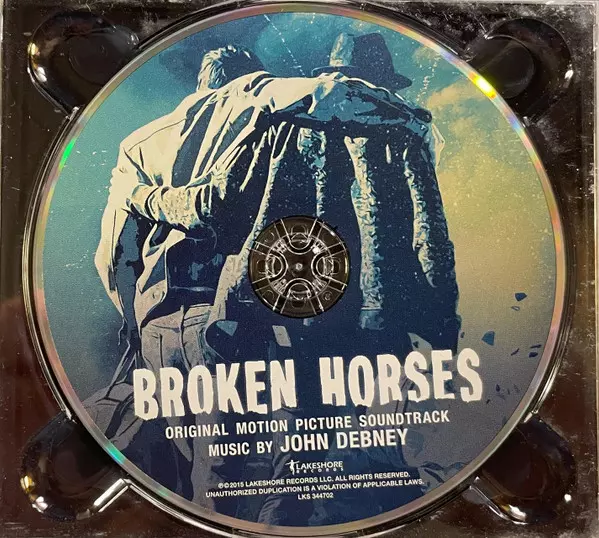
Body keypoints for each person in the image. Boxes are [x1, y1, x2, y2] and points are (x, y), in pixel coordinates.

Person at [91, 44, 439, 521]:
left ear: (201, 82)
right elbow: (332, 94)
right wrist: (407, 116)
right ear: (249, 75)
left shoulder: (138, 143)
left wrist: (136, 322)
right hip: (232, 319)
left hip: (157, 326)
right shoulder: (256, 98)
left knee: (189, 472)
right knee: (245, 474)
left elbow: (113, 257)